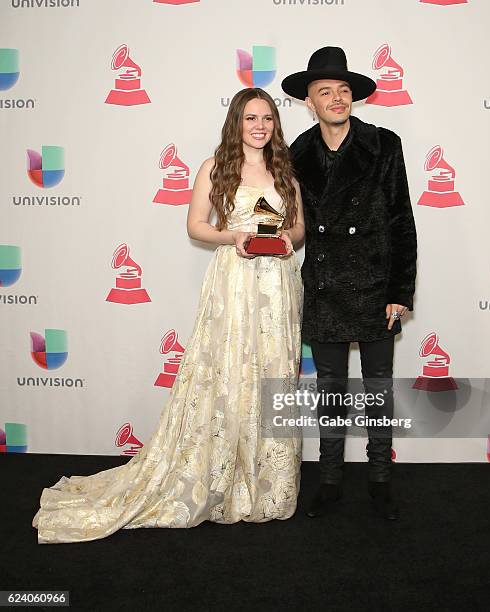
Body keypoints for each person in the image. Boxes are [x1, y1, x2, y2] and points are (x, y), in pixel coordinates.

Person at [32, 88, 305, 543]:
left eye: (268, 119)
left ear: (275, 125)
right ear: (236, 122)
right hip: (235, 282)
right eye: (250, 118)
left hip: (277, 287)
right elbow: (196, 225)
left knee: (273, 374)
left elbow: (297, 224)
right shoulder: (215, 168)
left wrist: (288, 240)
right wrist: (232, 235)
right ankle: (221, 479)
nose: (260, 126)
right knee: (229, 373)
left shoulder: (284, 171)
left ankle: (267, 485)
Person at [281, 47, 417, 520]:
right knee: (330, 392)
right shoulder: (295, 153)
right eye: (325, 92)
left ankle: (381, 481)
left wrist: (400, 292)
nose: (337, 98)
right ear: (309, 101)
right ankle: (331, 480)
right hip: (324, 287)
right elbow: (288, 220)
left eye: (343, 91)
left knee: (379, 390)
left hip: (376, 287)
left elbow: (402, 220)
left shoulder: (384, 143)